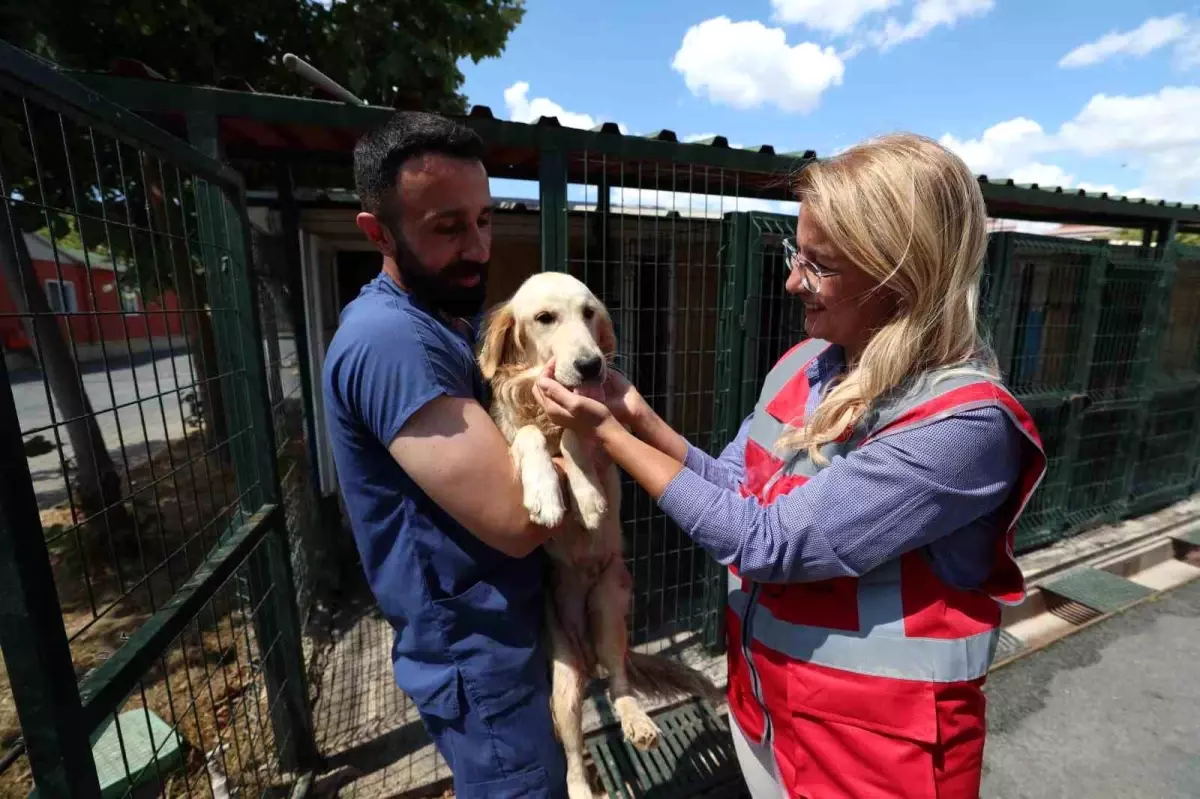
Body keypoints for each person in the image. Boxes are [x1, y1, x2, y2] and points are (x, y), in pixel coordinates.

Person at [533, 133, 1047, 799]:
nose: (791, 280)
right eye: (793, 253)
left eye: (819, 264)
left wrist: (607, 435)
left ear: (901, 273)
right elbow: (736, 491)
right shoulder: (805, 365)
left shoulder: (962, 428)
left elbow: (763, 541)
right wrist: (632, 411)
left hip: (875, 763)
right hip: (771, 719)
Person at [321, 111, 569, 798]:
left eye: (485, 220)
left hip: (505, 637)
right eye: (448, 228)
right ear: (377, 232)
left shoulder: (445, 315)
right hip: (477, 657)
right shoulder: (390, 341)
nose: (480, 247)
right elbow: (523, 520)